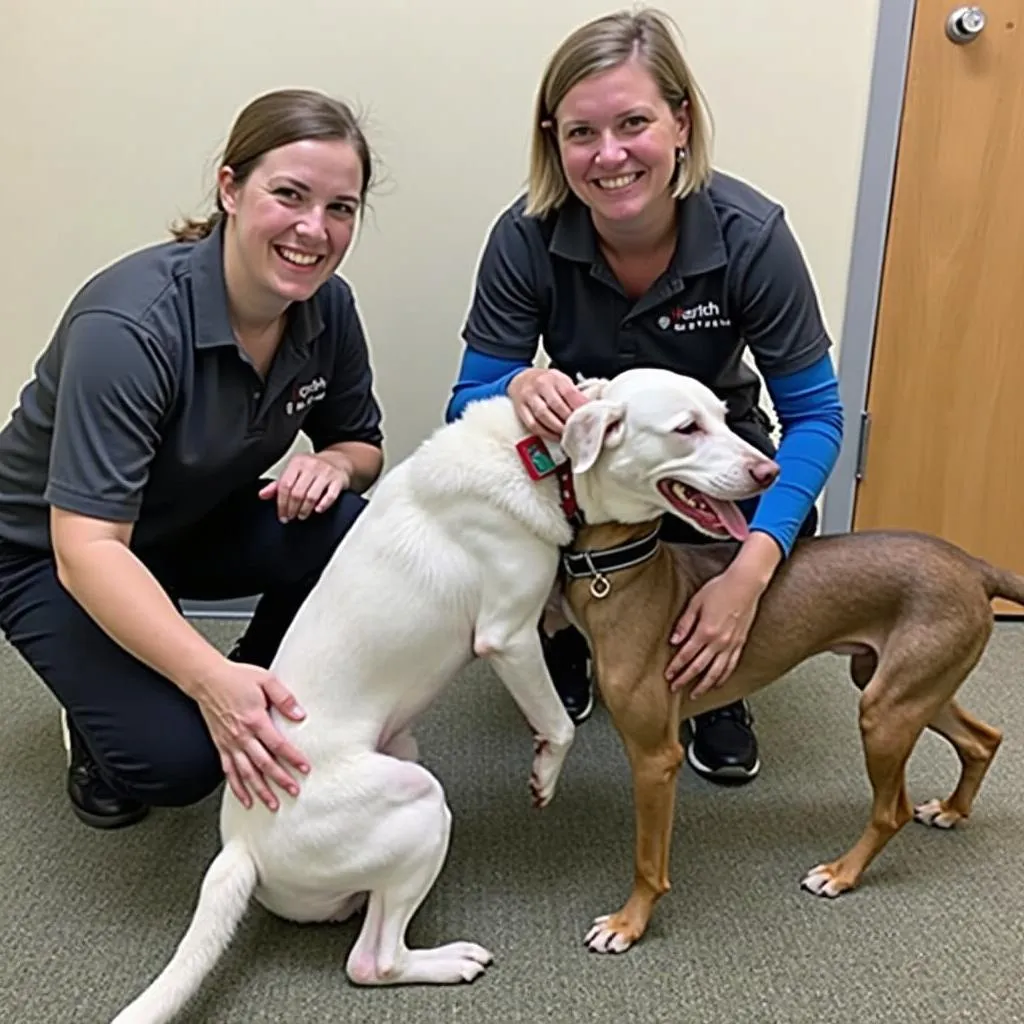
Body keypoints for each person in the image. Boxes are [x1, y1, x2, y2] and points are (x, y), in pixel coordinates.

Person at [445, 7, 844, 785]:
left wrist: (748, 576)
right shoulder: (525, 235)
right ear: (554, 142)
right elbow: (469, 399)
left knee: (778, 511)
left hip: (709, 445)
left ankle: (713, 675)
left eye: (634, 123)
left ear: (682, 123)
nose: (610, 155)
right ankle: (566, 636)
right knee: (495, 492)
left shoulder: (751, 235)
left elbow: (816, 417)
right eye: (581, 133)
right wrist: (521, 384)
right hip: (593, 461)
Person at [0, 88, 386, 829]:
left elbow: (362, 445)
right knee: (175, 765)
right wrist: (206, 680)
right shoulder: (129, 327)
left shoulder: (328, 307)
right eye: (290, 195)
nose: (315, 229)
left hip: (190, 521)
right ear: (231, 188)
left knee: (356, 524)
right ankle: (109, 716)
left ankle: (263, 680)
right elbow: (86, 551)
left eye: (341, 208)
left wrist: (335, 465)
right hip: (48, 553)